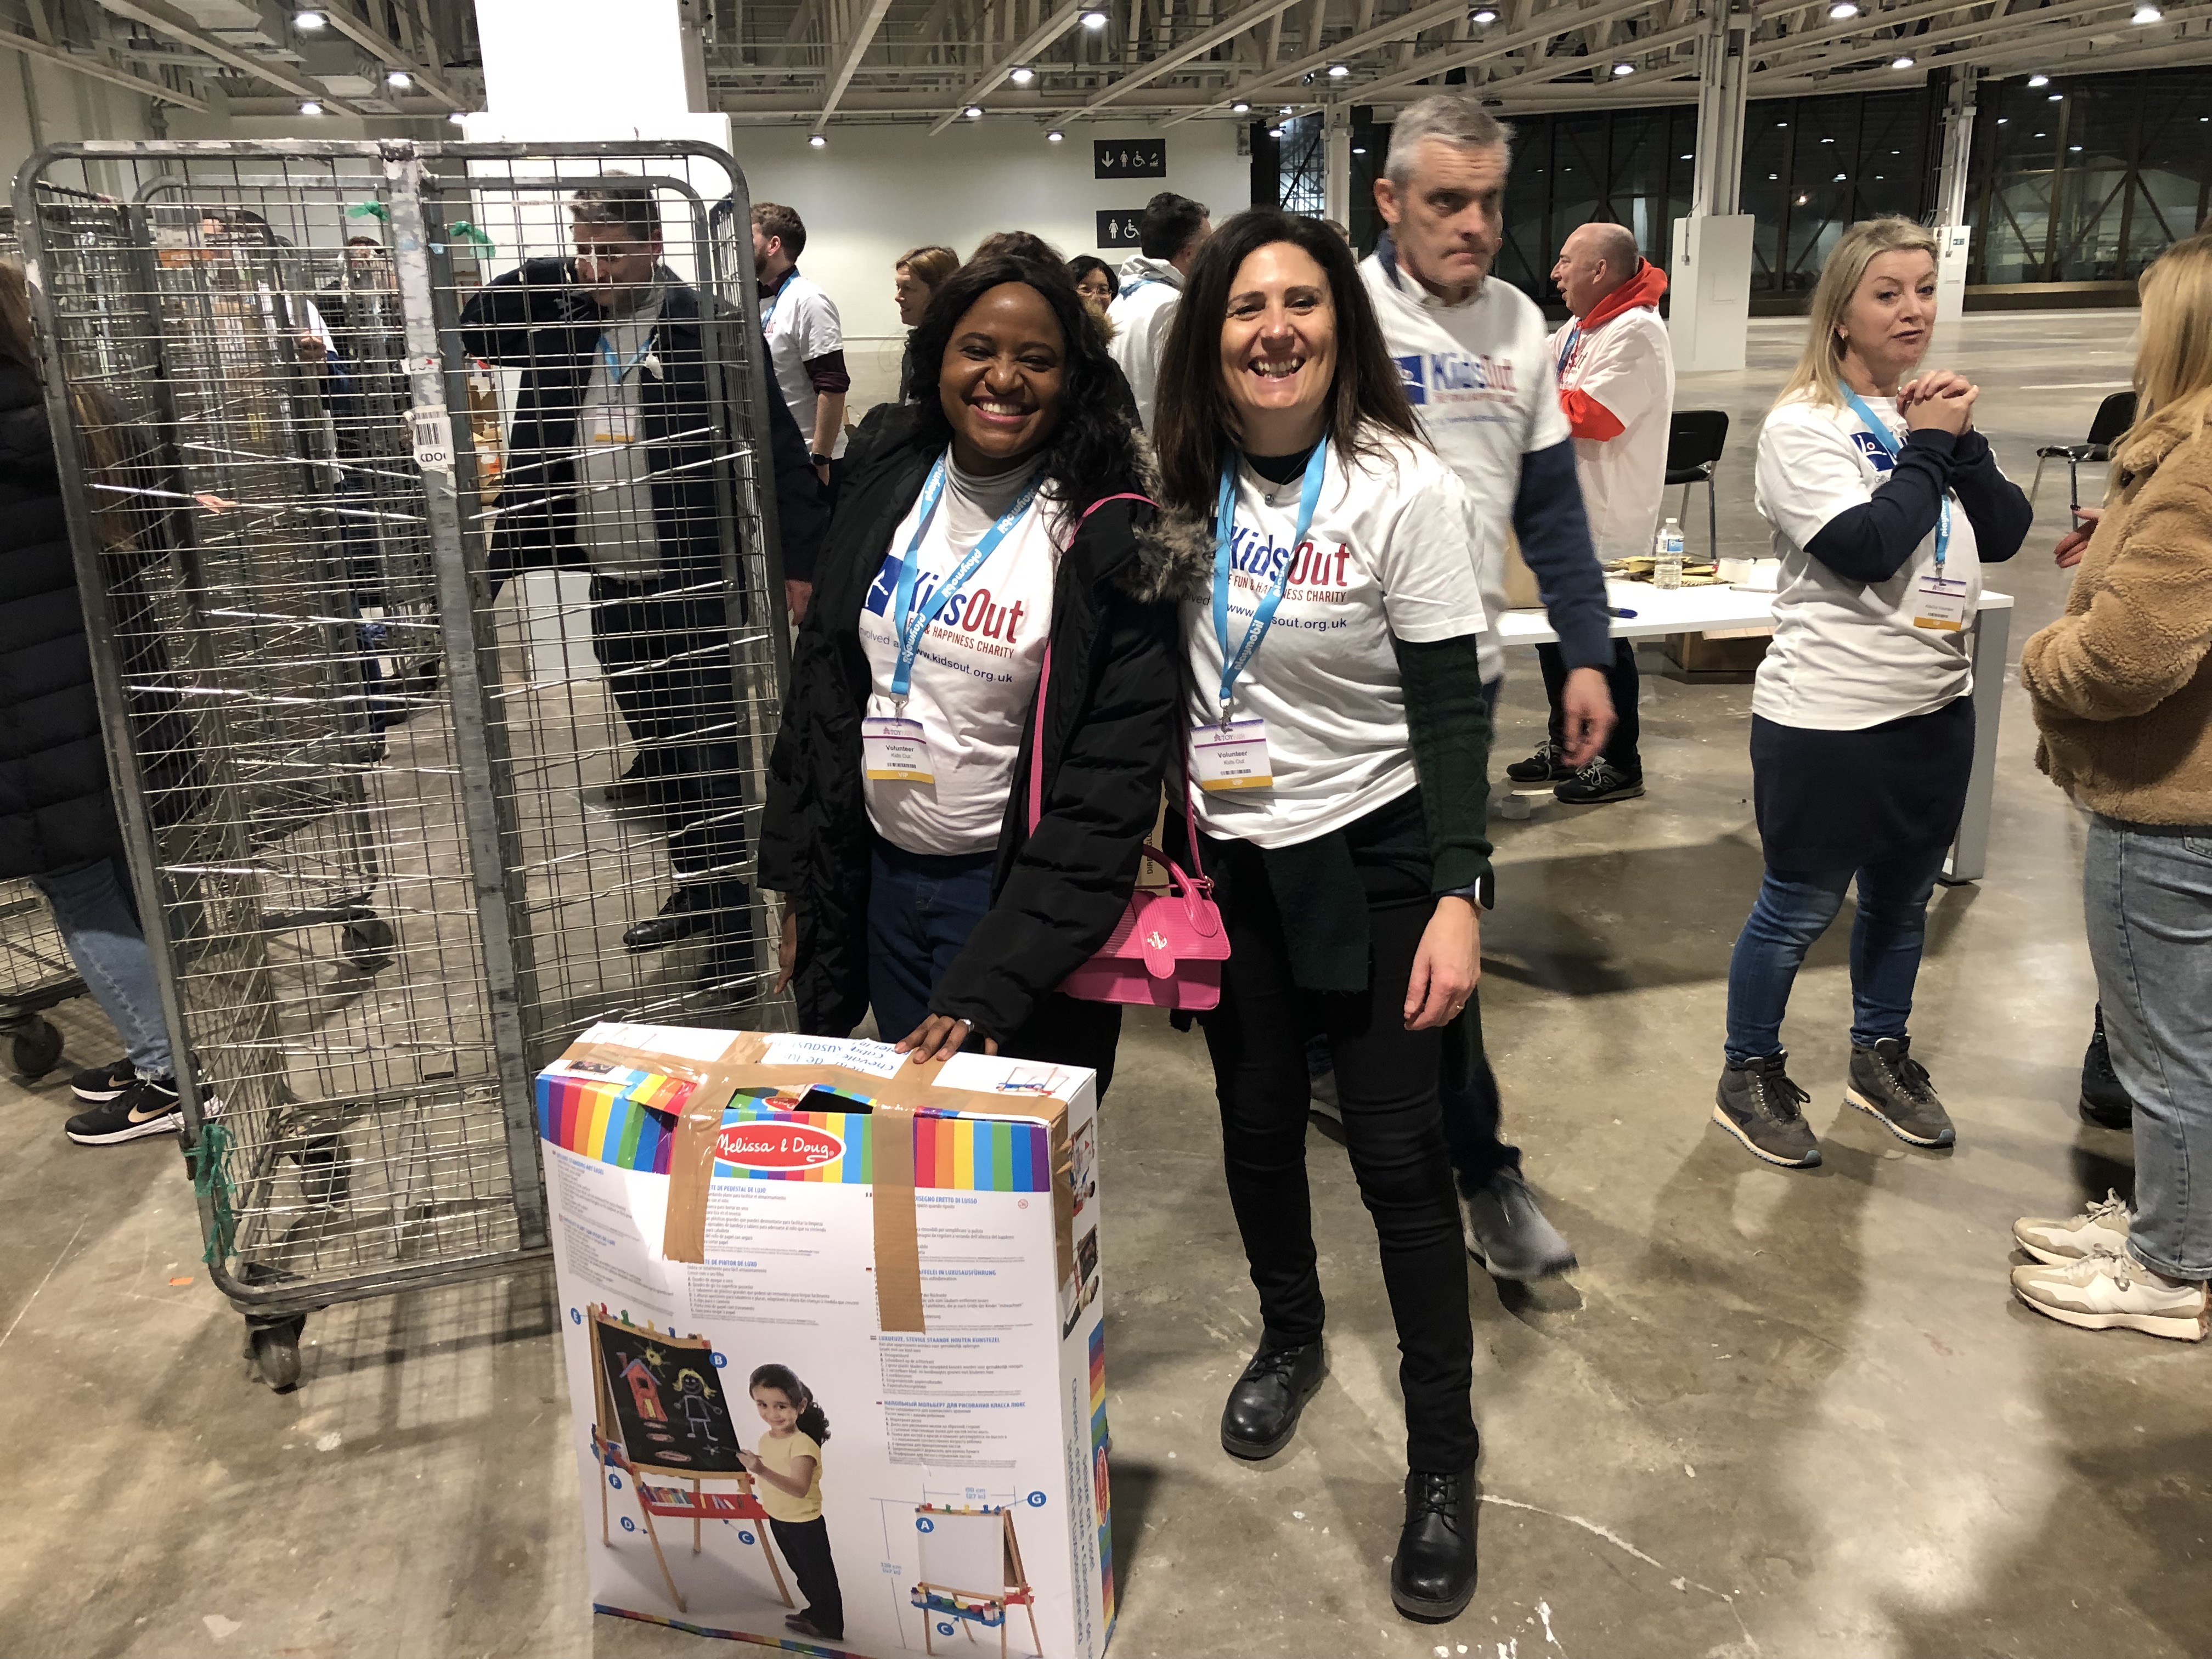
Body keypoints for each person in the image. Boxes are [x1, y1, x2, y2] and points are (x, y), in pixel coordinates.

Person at [1153, 208, 1491, 1621]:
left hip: (1379, 865)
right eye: (1246, 307)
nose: (1275, 327)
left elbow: (1454, 709)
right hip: (1235, 867)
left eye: (1302, 302)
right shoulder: (1177, 481)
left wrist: (1463, 894)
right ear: (1210, 339)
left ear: (1341, 329)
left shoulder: (1399, 488)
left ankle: (1441, 1460)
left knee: (1404, 1167)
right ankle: (1293, 1337)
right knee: (1251, 1127)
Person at [758, 254, 1194, 1088]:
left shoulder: (1109, 533)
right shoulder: (891, 468)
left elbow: (1108, 788)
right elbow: (822, 687)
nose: (1004, 378)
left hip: (1009, 901)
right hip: (883, 877)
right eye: (978, 350)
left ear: (1074, 376)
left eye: (1036, 359)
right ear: (939, 358)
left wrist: (1001, 971)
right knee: (911, 1146)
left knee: (1009, 1185)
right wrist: (803, 886)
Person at [1716, 216, 2031, 1169]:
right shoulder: (1801, 425)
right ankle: (1748, 1069)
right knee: (1797, 908)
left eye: (1924, 288)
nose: (1913, 310)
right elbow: (1864, 546)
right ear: (1842, 314)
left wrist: (1958, 444)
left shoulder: (1926, 412)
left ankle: (1879, 1054)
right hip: (1830, 716)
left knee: (1901, 904)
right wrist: (1928, 447)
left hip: (1935, 702)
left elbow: (2009, 529)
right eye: (1887, 292)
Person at [1362, 93, 1613, 1279]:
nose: (1472, 224)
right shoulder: (1337, 311)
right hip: (1335, 683)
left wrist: (1588, 651)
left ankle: (1486, 1169)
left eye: (1489, 202)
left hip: (1457, 685)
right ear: (1391, 202)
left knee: (1440, 932)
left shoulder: (1523, 323)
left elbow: (1551, 512)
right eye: (1446, 201)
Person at [460, 183, 828, 990]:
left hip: (695, 586)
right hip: (613, 585)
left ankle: (734, 932)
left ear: (655, 242)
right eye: (583, 247)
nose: (596, 266)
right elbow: (476, 326)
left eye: (612, 249)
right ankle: (695, 894)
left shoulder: (708, 325)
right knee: (662, 760)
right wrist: (566, 264)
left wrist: (805, 562)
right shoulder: (564, 315)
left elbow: (775, 436)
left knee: (714, 762)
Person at [2011, 232, 2212, 1342]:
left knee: (2167, 1053)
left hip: (2171, 807)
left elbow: (2133, 656)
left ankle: (2173, 1268)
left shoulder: (2195, 467)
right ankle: (2168, 1227)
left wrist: (2046, 654)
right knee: (2186, 1044)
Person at [0, 259, 195, 1146]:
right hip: (102, 682)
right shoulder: (68, 404)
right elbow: (153, 527)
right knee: (112, 864)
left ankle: (165, 1070)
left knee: (75, 882)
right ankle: (173, 1046)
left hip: (27, 701)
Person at [1514, 220, 1674, 804]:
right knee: (1551, 632)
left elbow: (1596, 414)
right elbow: (1530, 376)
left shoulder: (1636, 333)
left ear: (1599, 270)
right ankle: (1568, 745)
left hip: (1608, 517)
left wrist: (1509, 395)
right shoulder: (1582, 327)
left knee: (1603, 643)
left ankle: (1619, 760)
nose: (1554, 274)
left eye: (1563, 262)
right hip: (1564, 510)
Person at [752, 202, 851, 496]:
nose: (737, 247)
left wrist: (820, 459)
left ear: (773, 245)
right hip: (777, 456)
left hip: (812, 461)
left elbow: (832, 386)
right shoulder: (756, 301)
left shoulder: (808, 300)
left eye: (748, 238)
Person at [741, 1364, 843, 1641]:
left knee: (818, 1574)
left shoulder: (803, 1445)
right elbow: (776, 1473)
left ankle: (830, 1625)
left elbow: (799, 1488)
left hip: (803, 1521)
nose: (771, 1414)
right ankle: (816, 1612)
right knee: (802, 1572)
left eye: (781, 1406)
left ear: (800, 1406)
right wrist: (758, 1468)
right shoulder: (767, 1439)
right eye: (762, 1405)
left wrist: (761, 1471)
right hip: (779, 1517)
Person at [1107, 190, 1211, 431]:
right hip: (1165, 459)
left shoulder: (1120, 302)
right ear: (1189, 253)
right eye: (1209, 247)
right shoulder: (1172, 306)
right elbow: (1186, 404)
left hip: (1132, 455)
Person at [894, 244, 958, 402]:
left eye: (908, 288)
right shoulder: (919, 342)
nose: (898, 297)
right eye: (898, 287)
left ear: (940, 292)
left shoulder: (952, 350)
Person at [1068, 254, 1116, 335]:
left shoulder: (1117, 334)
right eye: (1085, 289)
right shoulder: (1058, 334)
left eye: (1103, 291)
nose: (1095, 298)